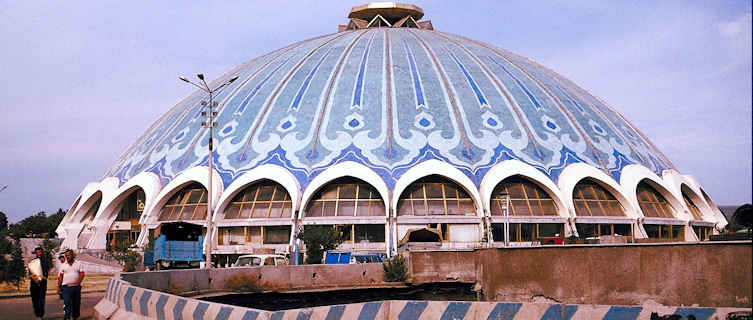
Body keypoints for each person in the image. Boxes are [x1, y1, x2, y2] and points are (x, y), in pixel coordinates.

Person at [57, 249, 84, 320]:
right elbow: (60, 277)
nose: (67, 257)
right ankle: (67, 317)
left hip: (76, 287)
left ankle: (75, 317)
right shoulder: (63, 265)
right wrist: (58, 287)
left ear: (72, 255)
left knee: (76, 304)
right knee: (67, 302)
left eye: (68, 255)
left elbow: (82, 274)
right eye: (66, 256)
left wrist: (78, 282)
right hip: (66, 287)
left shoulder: (78, 264)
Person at [27, 246, 51, 320]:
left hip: (42, 283)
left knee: (41, 300)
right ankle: (37, 315)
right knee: (35, 300)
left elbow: (46, 273)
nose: (39, 253)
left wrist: (42, 278)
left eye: (40, 252)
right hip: (33, 283)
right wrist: (33, 277)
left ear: (42, 253)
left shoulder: (45, 262)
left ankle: (40, 315)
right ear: (35, 253)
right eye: (37, 252)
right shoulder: (32, 262)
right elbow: (29, 273)